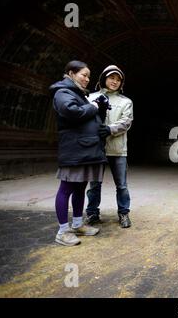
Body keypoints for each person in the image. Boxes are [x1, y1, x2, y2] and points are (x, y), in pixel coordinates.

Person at [50, 60, 110, 246]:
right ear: (71, 73)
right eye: (83, 75)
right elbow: (71, 111)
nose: (87, 79)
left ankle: (77, 224)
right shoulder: (62, 92)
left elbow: (88, 116)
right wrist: (92, 106)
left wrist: (99, 109)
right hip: (74, 151)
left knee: (79, 188)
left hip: (86, 150)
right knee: (66, 189)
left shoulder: (80, 94)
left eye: (88, 76)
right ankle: (62, 231)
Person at [85, 65, 134, 228]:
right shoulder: (90, 98)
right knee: (94, 184)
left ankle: (124, 213)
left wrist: (109, 129)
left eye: (118, 80)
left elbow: (126, 122)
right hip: (96, 149)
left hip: (118, 149)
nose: (114, 82)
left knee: (121, 185)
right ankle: (92, 213)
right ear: (104, 78)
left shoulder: (125, 102)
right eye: (111, 78)